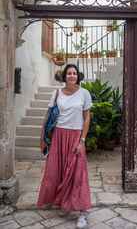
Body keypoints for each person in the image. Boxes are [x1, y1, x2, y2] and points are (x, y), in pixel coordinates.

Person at [37, 64, 93, 229]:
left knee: (78, 174)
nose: (72, 76)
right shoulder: (56, 94)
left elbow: (87, 119)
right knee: (59, 171)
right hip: (58, 136)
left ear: (78, 76)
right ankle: (63, 203)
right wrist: (42, 138)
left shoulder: (84, 93)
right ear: (64, 76)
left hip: (76, 135)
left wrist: (82, 140)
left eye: (74, 73)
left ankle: (83, 212)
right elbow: (48, 115)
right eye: (69, 73)